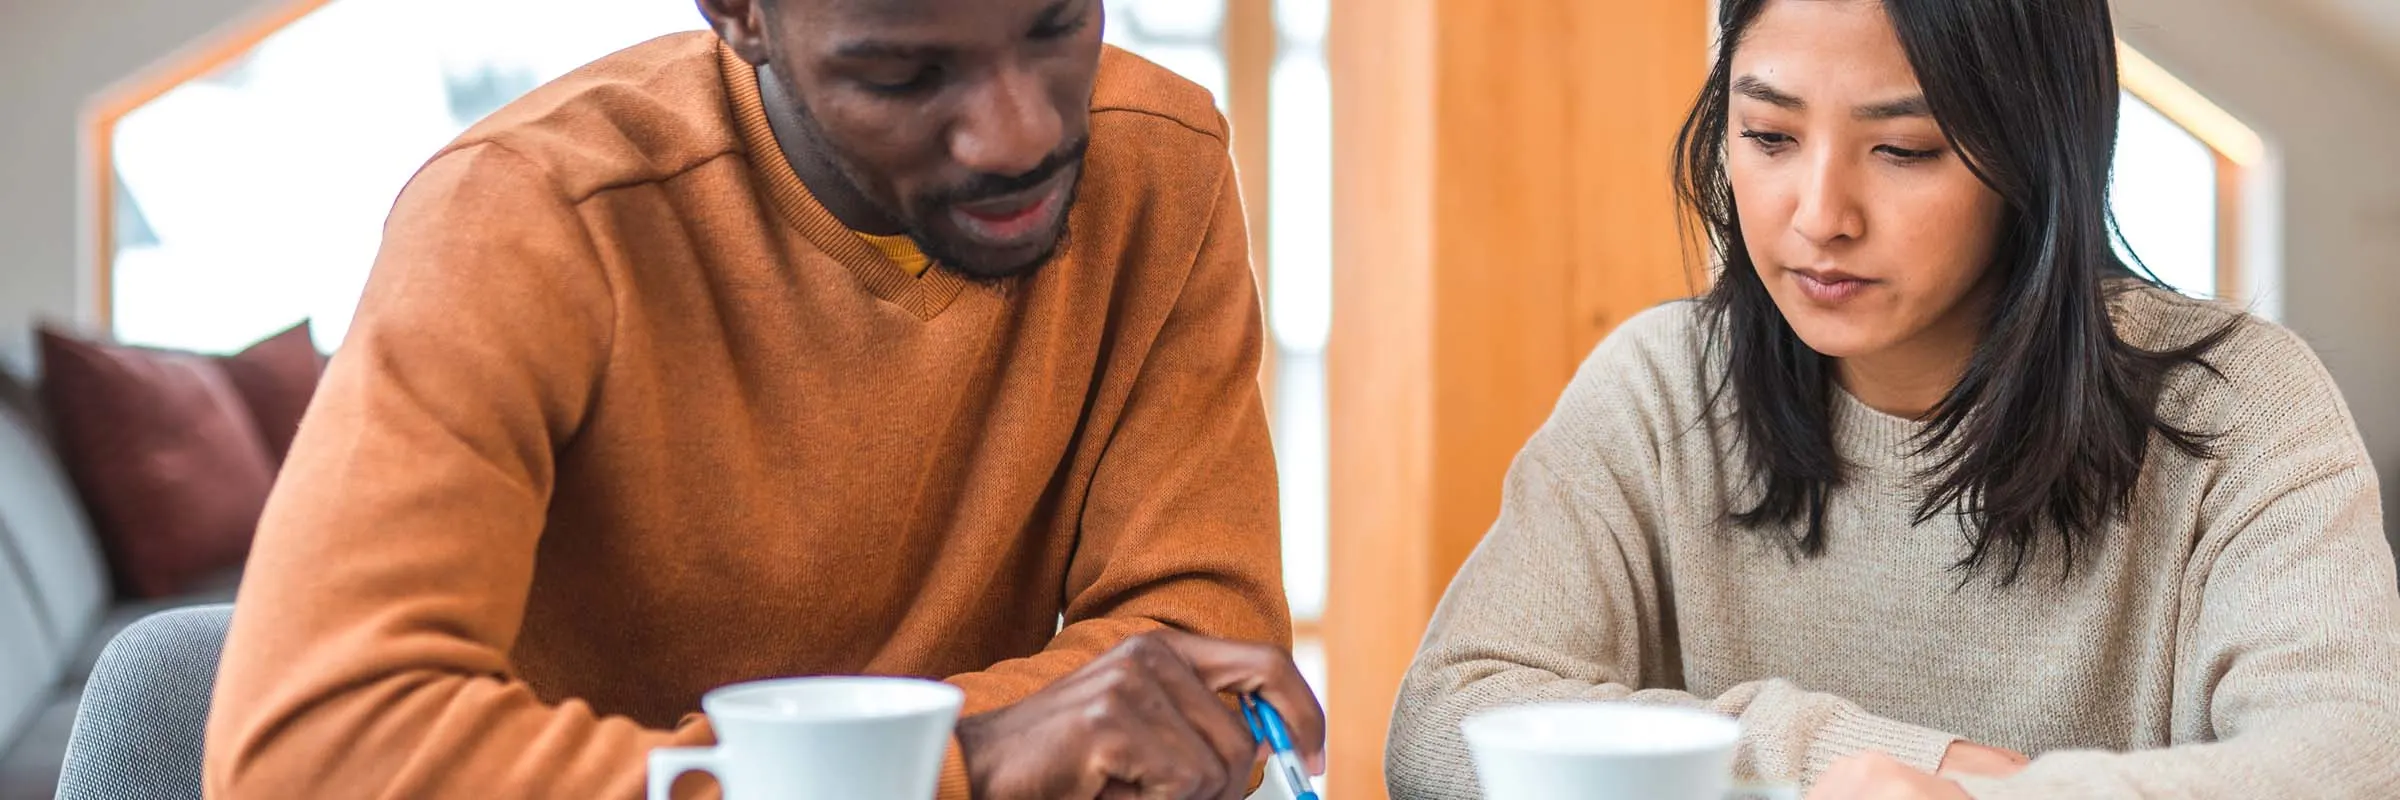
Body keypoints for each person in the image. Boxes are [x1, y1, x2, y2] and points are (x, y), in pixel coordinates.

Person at [203, 1, 1325, 798]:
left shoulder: (1157, 164)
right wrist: (960, 763)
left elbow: (1206, 657)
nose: (1023, 133)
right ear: (739, 13)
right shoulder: (524, 217)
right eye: (903, 73)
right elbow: (312, 750)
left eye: (1057, 24)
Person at [1383, 0, 2400, 797]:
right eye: (1769, 136)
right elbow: (1443, 722)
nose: (1818, 216)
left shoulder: (2239, 406)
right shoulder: (1660, 390)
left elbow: (2357, 762)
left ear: (2036, 153)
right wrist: (1862, 757)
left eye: (1903, 149)